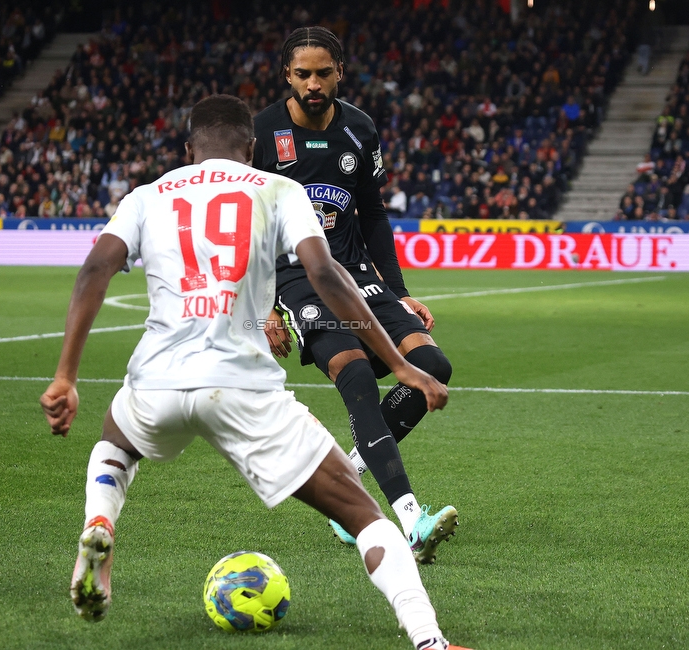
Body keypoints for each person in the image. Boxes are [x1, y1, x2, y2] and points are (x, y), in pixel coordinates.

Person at [39, 95, 467, 650]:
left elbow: (96, 268)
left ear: (189, 150)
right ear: (254, 149)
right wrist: (401, 363)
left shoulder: (146, 196)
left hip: (157, 379)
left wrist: (65, 375)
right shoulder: (278, 189)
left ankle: (101, 522)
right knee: (365, 516)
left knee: (116, 444)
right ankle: (430, 642)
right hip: (243, 386)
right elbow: (325, 275)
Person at [251, 26, 457, 562]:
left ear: (340, 72)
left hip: (357, 273)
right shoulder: (262, 134)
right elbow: (249, 230)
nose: (314, 83)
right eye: (303, 74)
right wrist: (266, 306)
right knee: (359, 375)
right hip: (295, 278)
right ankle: (411, 519)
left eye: (323, 73)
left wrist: (400, 291)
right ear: (287, 77)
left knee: (432, 366)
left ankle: (350, 483)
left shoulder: (361, 129)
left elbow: (374, 216)